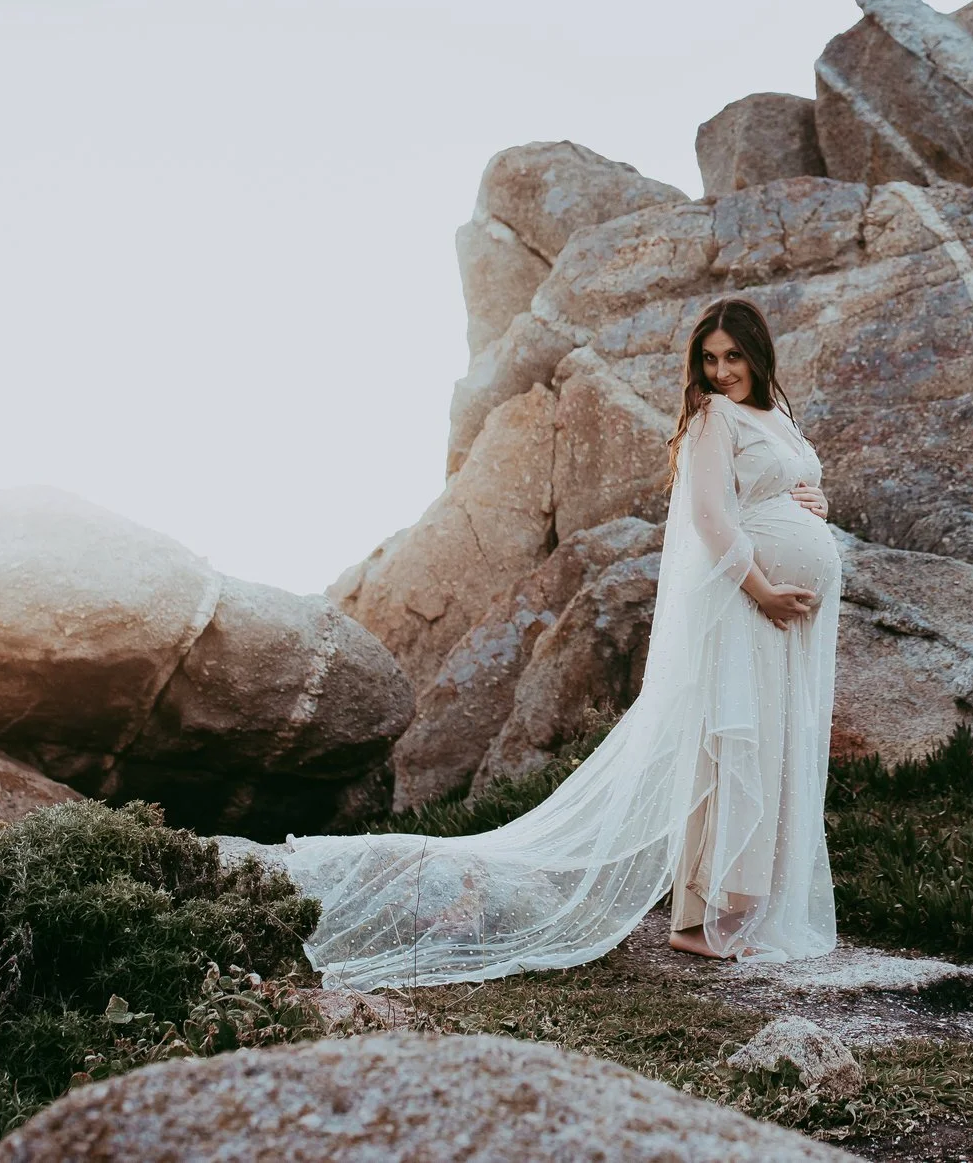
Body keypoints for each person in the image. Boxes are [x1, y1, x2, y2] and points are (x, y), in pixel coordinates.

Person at [275, 297, 840, 986]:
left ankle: (743, 911)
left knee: (771, 744)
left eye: (734, 356)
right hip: (747, 603)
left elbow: (789, 486)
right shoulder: (712, 416)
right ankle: (702, 921)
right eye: (711, 359)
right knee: (730, 747)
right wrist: (763, 589)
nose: (723, 372)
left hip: (786, 618)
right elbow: (711, 517)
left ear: (758, 352)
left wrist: (816, 503)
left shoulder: (777, 416)